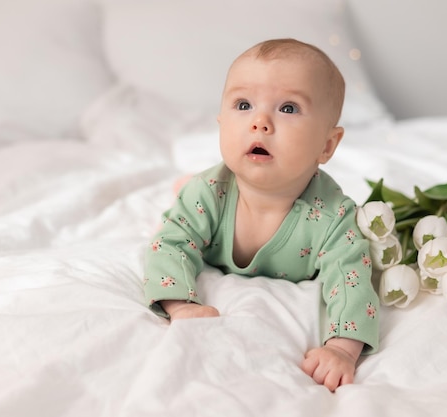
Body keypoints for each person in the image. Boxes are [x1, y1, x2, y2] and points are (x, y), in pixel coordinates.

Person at [143, 38, 379, 392]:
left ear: (327, 146)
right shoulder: (209, 192)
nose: (260, 122)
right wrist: (181, 306)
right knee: (184, 201)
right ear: (221, 123)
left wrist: (342, 350)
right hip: (202, 195)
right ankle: (181, 184)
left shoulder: (332, 217)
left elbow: (352, 282)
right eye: (243, 104)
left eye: (287, 108)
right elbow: (169, 244)